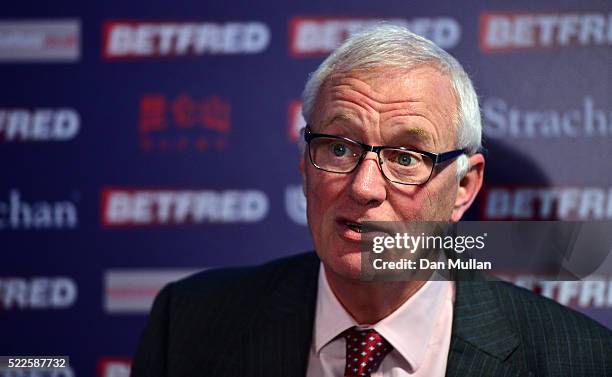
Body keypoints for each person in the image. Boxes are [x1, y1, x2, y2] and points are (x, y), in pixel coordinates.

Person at [131, 25, 612, 377]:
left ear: (463, 189)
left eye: (406, 157)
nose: (364, 187)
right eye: (339, 148)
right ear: (304, 166)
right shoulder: (190, 325)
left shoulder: (576, 359)